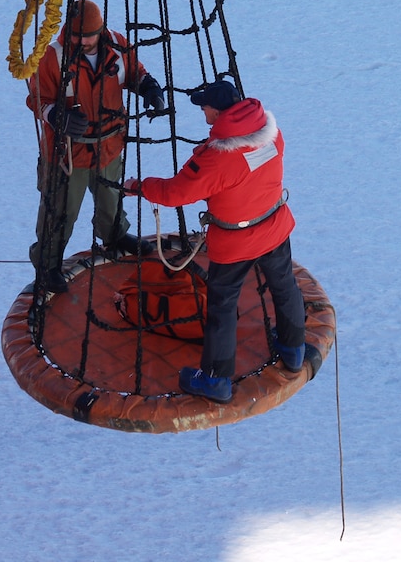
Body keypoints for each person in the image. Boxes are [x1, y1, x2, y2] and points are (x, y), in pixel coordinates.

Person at [122, 80, 306, 402]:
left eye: (204, 106)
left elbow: (176, 192)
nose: (202, 111)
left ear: (217, 110)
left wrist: (140, 187)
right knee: (283, 285)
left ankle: (216, 380)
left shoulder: (217, 158)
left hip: (235, 243)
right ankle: (293, 349)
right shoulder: (272, 134)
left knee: (222, 308)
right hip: (274, 226)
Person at [28, 0, 164, 292]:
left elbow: (135, 72)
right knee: (60, 210)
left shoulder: (117, 44)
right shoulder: (51, 57)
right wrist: (57, 116)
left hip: (109, 144)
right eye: (78, 36)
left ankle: (115, 235)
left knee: (110, 198)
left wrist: (149, 87)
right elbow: (37, 99)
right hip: (66, 153)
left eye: (90, 35)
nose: (84, 41)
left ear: (100, 31)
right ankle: (48, 264)